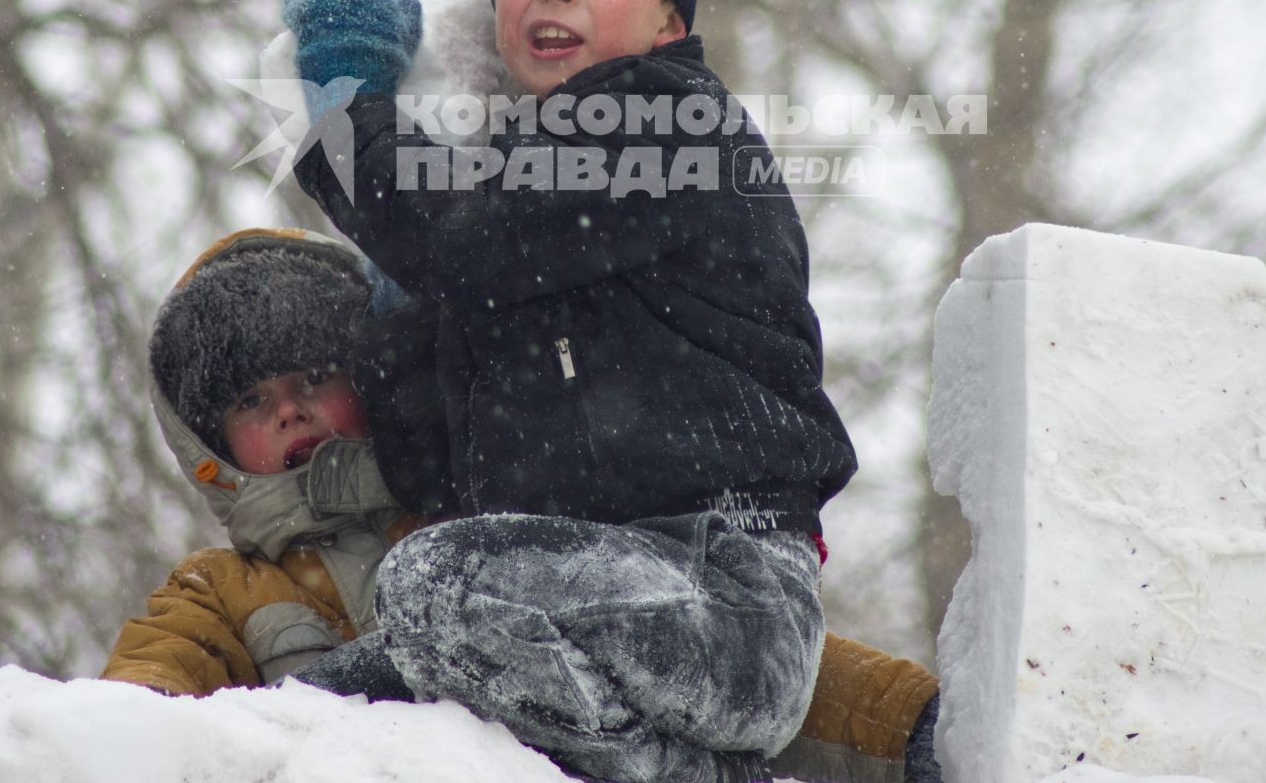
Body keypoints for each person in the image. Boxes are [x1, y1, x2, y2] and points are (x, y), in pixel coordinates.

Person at [277, 0, 859, 782]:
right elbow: (434, 470)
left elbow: (458, 238)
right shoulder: (524, 215)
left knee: (433, 585)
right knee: (316, 714)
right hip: (580, 602)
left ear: (670, 21)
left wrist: (347, 90)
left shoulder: (669, 121)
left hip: (724, 590)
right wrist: (400, 308)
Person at [101, 228, 941, 783]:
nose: (290, 410)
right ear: (209, 446)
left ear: (373, 373)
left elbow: (699, 643)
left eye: (315, 378)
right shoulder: (218, 592)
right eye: (252, 400)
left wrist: (915, 726)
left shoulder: (493, 509)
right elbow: (130, 720)